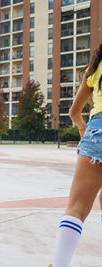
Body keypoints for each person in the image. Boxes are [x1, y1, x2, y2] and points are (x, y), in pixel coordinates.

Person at [49, 44, 102, 266]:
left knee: (76, 208)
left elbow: (74, 112)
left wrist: (83, 129)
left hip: (97, 130)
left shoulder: (95, 67)